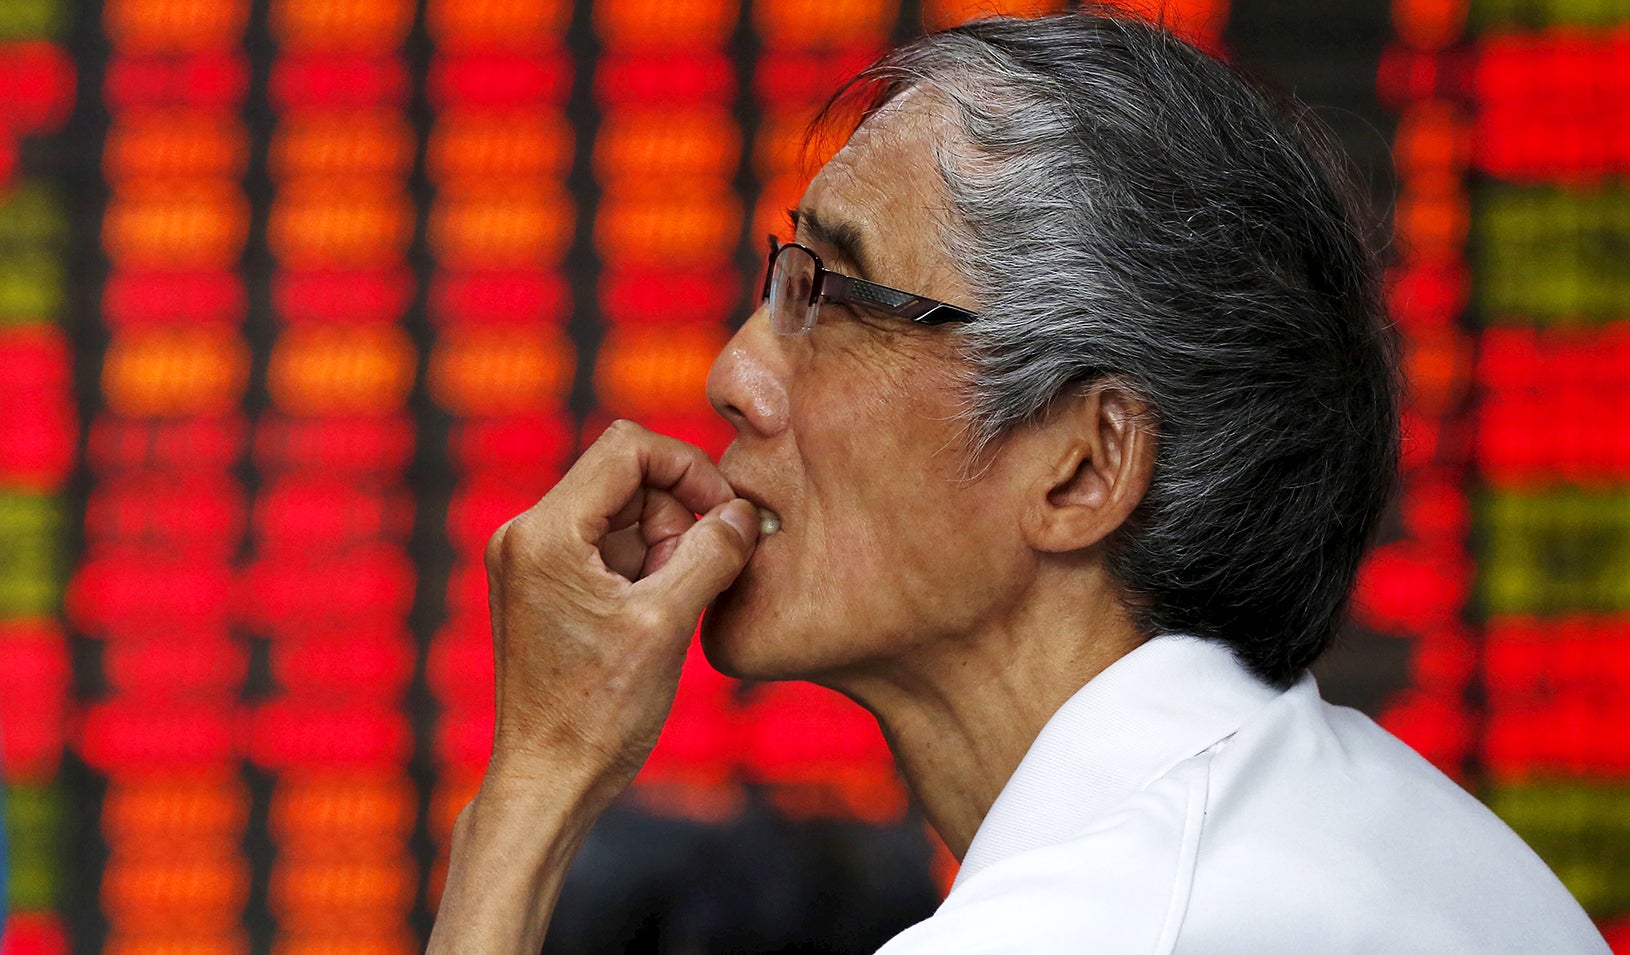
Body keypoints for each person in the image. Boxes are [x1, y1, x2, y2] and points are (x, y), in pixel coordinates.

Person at [428, 12, 1609, 954]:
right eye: (779, 278)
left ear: (1081, 467)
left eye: (830, 297)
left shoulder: (1085, 926)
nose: (732, 370)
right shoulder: (1398, 839)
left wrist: (531, 790)